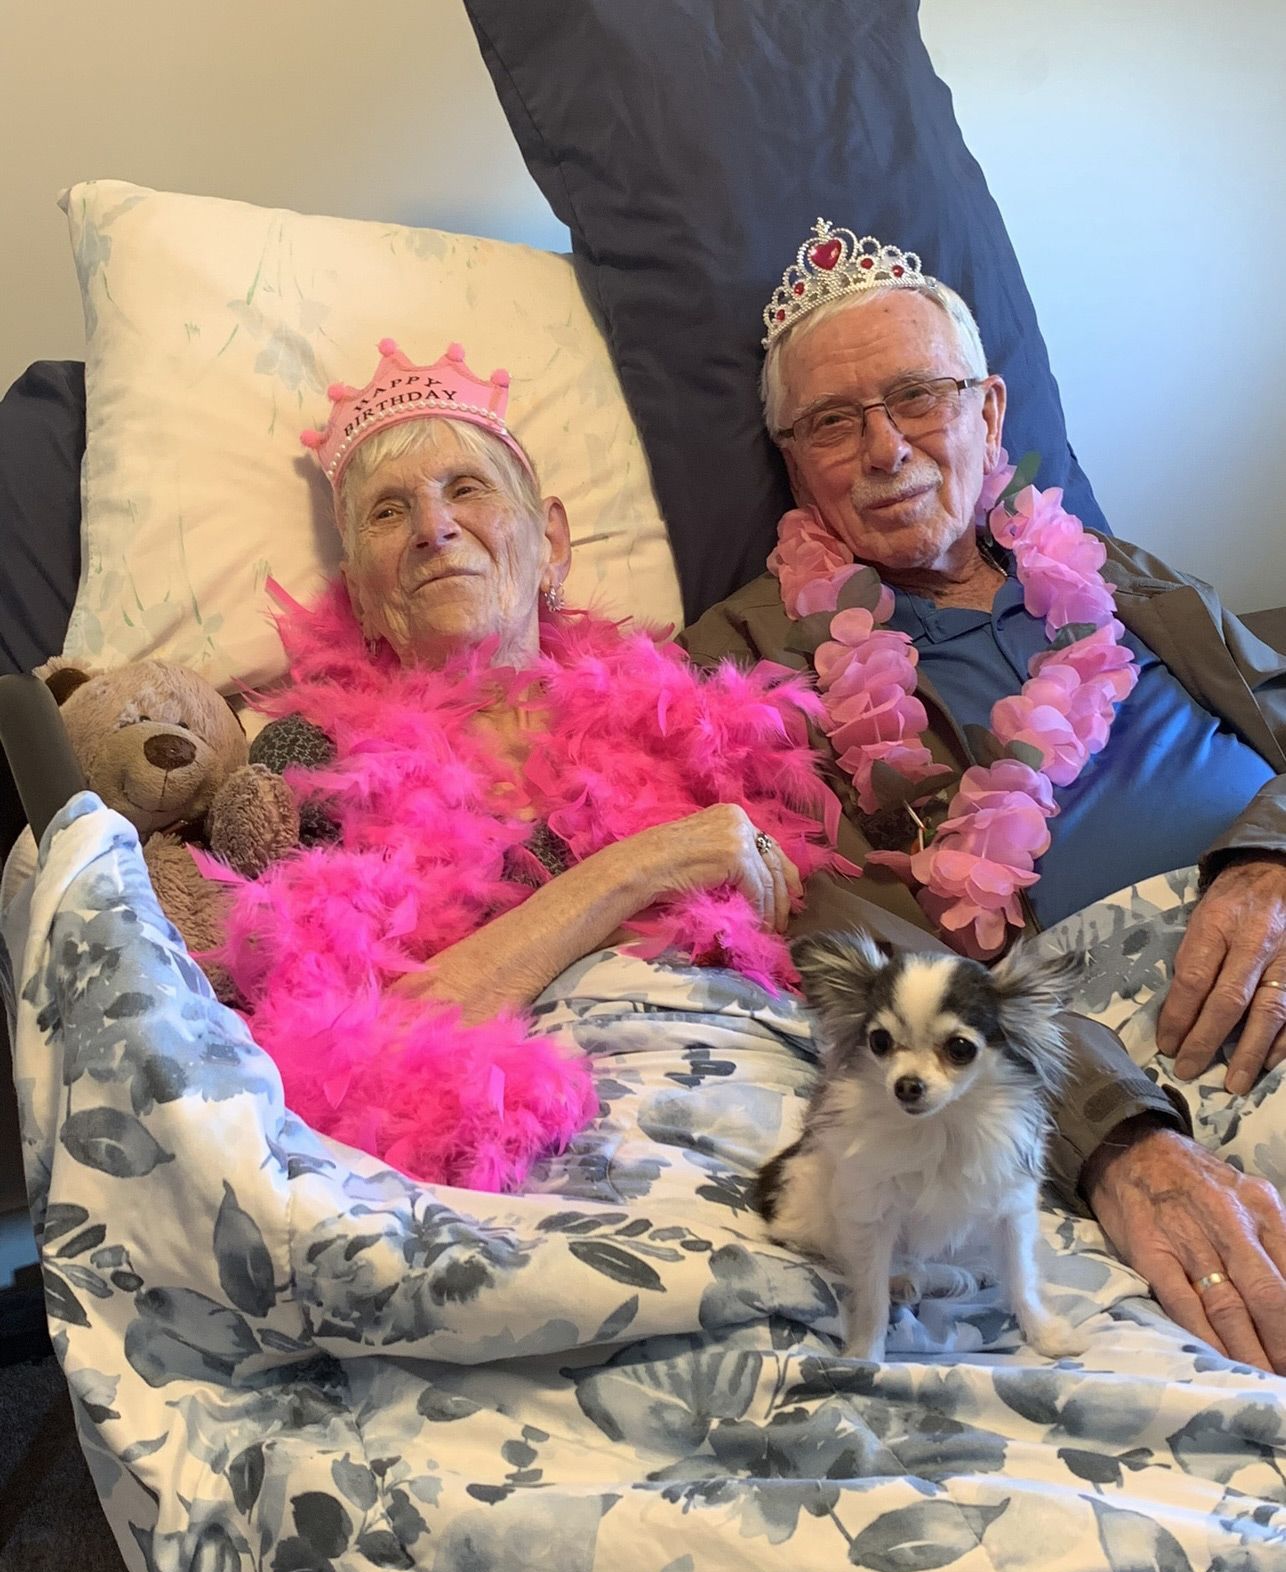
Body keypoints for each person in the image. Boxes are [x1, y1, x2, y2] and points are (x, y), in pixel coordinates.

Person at [681, 220, 1286, 1371]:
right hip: (1112, 1030)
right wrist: (1113, 1134)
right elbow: (828, 922)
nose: (883, 448)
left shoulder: (1116, 570)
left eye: (917, 395)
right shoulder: (740, 658)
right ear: (792, 461)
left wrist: (1267, 858)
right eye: (831, 422)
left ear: (988, 412)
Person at [212, 337, 851, 1191]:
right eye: (388, 512)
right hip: (533, 1162)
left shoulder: (690, 714)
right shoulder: (305, 764)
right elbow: (340, 1057)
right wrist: (640, 867)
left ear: (552, 541)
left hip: (782, 1105)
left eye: (466, 488)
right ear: (359, 591)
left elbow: (804, 941)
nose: (434, 527)